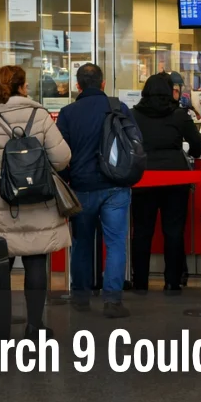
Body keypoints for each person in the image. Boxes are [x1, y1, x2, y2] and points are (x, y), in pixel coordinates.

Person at [0, 65, 71, 338]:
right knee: (36, 262)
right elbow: (61, 159)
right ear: (22, 86)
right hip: (38, 201)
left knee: (0, 266)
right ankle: (34, 327)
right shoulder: (40, 115)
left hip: (0, 204)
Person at [55, 63, 136, 317]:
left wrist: (70, 178)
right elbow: (134, 144)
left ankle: (81, 296)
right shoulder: (118, 108)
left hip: (81, 187)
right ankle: (112, 300)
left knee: (81, 243)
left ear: (77, 86)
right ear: (103, 84)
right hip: (115, 186)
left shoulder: (67, 113)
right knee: (114, 244)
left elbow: (60, 154)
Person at [131, 72, 201, 296]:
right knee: (173, 231)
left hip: (143, 177)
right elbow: (197, 145)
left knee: (142, 231)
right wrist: (188, 153)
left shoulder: (134, 114)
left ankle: (140, 282)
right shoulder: (179, 114)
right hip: (175, 176)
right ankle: (172, 282)